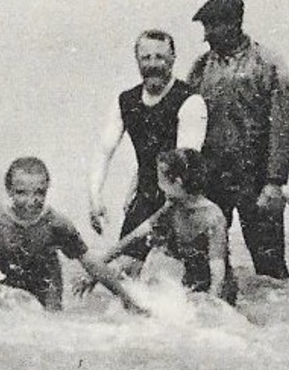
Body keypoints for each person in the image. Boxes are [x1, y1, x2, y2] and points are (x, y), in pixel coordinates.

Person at [187, 0, 289, 279]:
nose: (207, 35)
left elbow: (284, 125)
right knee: (206, 267)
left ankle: (276, 322)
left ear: (235, 23)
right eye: (205, 27)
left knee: (271, 271)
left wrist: (274, 183)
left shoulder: (268, 63)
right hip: (212, 180)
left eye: (213, 26)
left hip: (257, 181)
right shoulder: (200, 68)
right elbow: (187, 125)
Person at [86, 30, 207, 265]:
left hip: (183, 201)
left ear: (173, 59)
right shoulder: (126, 101)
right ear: (137, 60)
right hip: (146, 196)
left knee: (184, 284)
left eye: (160, 57)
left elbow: (185, 168)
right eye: (146, 58)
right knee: (124, 277)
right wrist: (95, 197)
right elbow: (103, 151)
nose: (153, 64)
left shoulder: (190, 101)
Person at [0, 156, 144, 313]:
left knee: (53, 321)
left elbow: (91, 263)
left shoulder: (56, 223)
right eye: (21, 193)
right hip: (6, 273)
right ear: (9, 191)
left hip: (44, 277)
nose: (31, 201)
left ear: (47, 189)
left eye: (39, 192)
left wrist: (127, 299)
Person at [102, 147, 238, 304]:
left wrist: (212, 306)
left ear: (178, 182)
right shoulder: (172, 208)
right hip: (190, 287)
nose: (159, 186)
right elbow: (132, 238)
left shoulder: (213, 217)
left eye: (161, 181)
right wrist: (99, 265)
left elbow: (218, 275)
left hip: (219, 295)